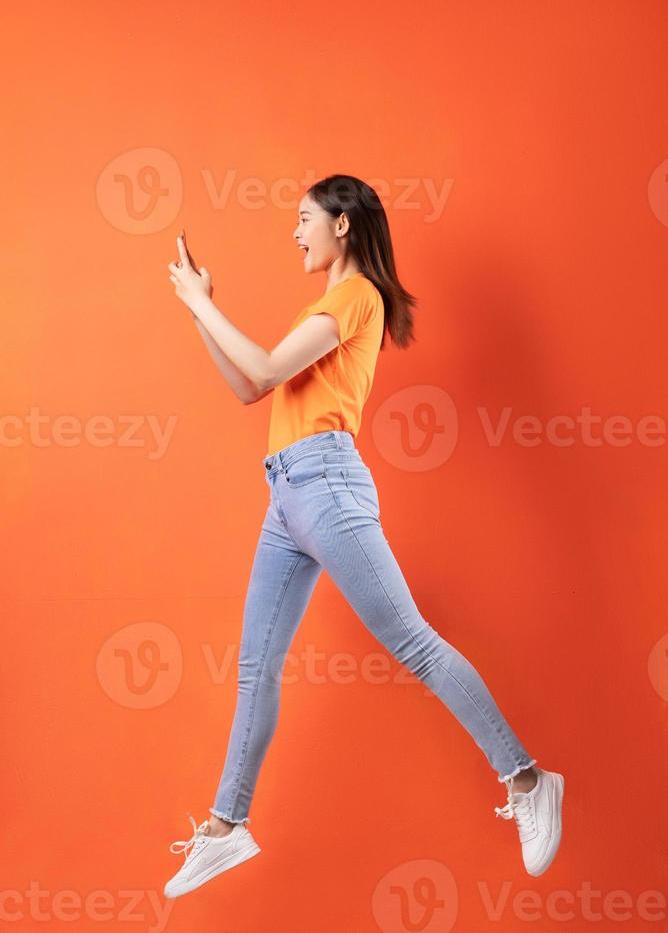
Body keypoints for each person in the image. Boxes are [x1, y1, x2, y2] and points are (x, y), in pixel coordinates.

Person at [162, 175, 564, 899]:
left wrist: (198, 303)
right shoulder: (326, 304)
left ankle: (529, 779)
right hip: (285, 492)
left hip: (326, 486)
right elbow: (251, 387)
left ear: (344, 225)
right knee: (255, 668)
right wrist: (203, 309)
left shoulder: (356, 298)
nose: (294, 232)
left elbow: (261, 367)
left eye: (304, 218)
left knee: (410, 641)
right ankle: (227, 827)